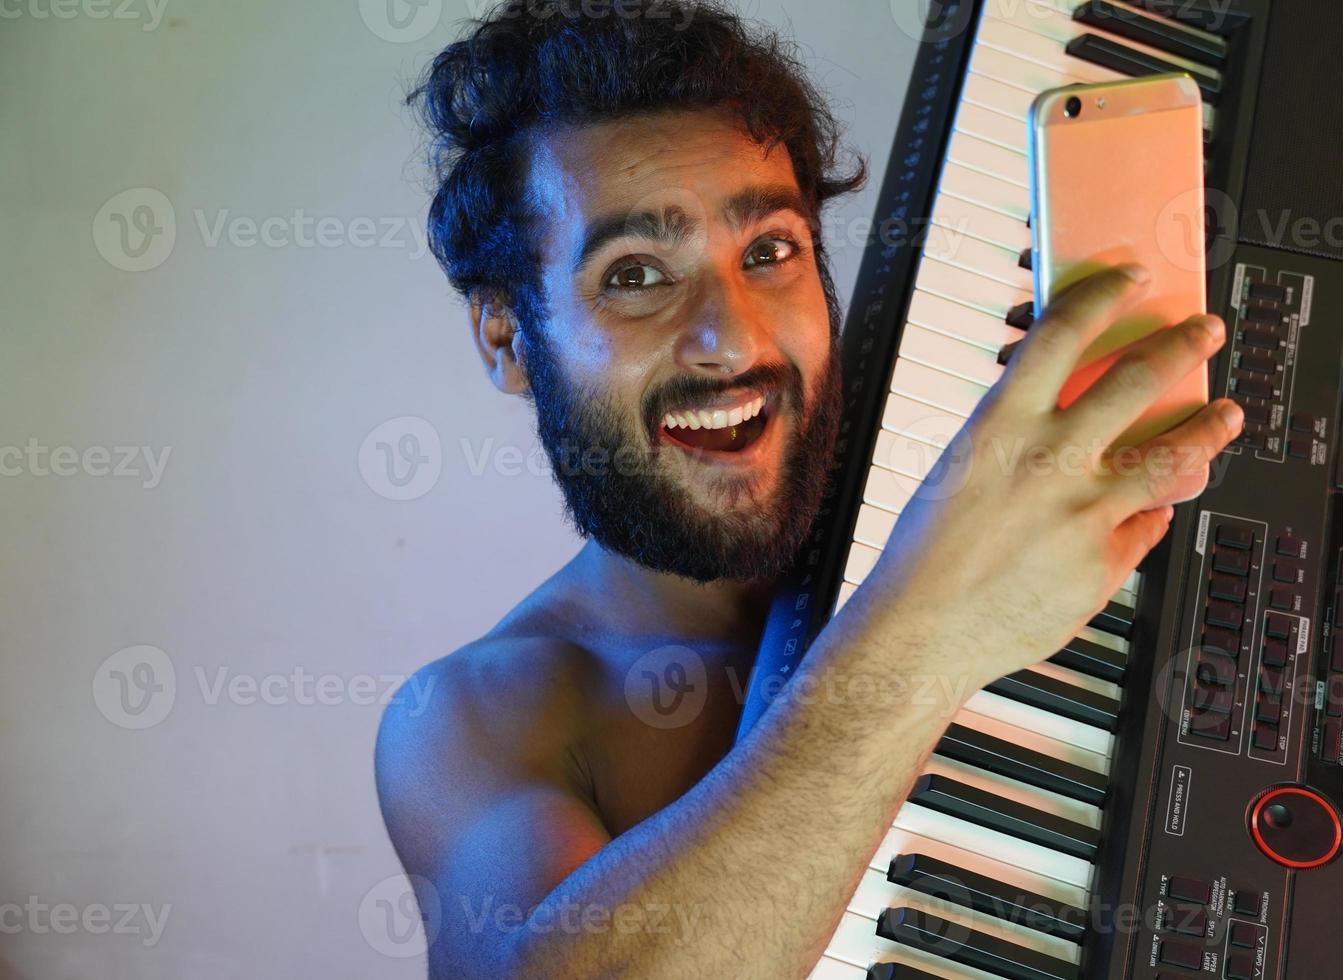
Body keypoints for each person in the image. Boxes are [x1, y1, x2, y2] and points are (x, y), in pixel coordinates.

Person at [374, 2, 1243, 976]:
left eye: (768, 251)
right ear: (508, 338)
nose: (734, 339)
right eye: (636, 273)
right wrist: (929, 637)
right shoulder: (477, 720)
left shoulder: (991, 478)